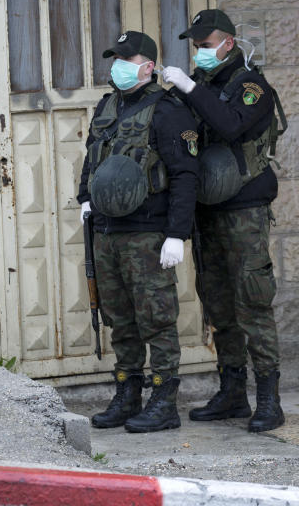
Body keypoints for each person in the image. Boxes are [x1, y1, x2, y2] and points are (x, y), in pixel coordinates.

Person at [161, 9, 285, 433]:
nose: (200, 53)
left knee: (252, 299)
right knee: (217, 301)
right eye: (196, 47)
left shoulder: (250, 85)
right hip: (207, 209)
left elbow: (230, 126)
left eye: (206, 45)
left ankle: (269, 398)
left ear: (228, 43)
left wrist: (191, 87)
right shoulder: (206, 84)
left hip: (244, 208)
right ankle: (233, 391)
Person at [77, 31, 199, 433]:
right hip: (108, 231)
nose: (117, 67)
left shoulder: (169, 111)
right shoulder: (107, 106)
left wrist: (176, 234)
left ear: (148, 67)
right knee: (120, 319)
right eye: (115, 59)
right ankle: (127, 395)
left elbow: (185, 174)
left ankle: (164, 402)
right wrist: (85, 199)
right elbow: (92, 157)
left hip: (148, 233)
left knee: (157, 319)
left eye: (126, 60)